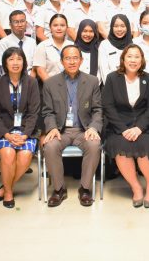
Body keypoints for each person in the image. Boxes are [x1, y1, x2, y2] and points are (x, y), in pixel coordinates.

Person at [42, 45, 103, 207]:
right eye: (67, 58)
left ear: (81, 60)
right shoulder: (50, 83)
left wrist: (93, 127)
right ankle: (59, 189)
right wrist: (52, 127)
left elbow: (98, 109)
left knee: (94, 144)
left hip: (84, 129)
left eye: (75, 58)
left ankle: (85, 188)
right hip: (61, 130)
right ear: (61, 61)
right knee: (50, 146)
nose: (72, 61)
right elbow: (47, 111)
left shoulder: (91, 81)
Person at [102, 45, 149, 208]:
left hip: (144, 126)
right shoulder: (112, 78)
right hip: (119, 127)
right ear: (123, 59)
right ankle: (136, 188)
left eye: (137, 57)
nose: (133, 60)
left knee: (145, 147)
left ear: (141, 60)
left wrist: (139, 128)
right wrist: (123, 129)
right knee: (121, 148)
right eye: (130, 56)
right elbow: (108, 106)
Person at [0, 47, 40, 208]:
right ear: (5, 63)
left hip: (26, 130)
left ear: (24, 62)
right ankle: (9, 193)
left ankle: (4, 188)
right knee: (8, 154)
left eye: (19, 59)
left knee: (24, 156)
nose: (15, 63)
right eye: (11, 59)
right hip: (3, 130)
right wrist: (7, 135)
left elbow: (34, 112)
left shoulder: (31, 82)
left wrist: (24, 135)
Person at [33, 14, 74, 82]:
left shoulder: (72, 46)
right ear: (50, 27)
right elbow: (40, 71)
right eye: (55, 25)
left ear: (67, 27)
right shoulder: (42, 46)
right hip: (50, 87)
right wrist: (53, 87)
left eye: (62, 25)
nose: (59, 28)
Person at [0, 10, 37, 77]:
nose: (20, 25)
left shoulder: (32, 42)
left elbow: (35, 65)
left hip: (30, 79)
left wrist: (30, 80)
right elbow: (2, 67)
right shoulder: (4, 43)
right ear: (10, 25)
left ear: (26, 23)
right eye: (16, 22)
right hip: (10, 78)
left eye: (22, 21)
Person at [98, 14, 133, 84]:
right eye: (116, 26)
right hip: (111, 86)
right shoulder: (104, 44)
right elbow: (104, 70)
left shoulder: (133, 45)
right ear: (111, 27)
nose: (119, 29)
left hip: (131, 85)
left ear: (127, 27)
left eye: (122, 26)